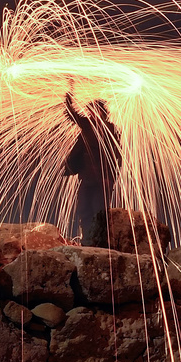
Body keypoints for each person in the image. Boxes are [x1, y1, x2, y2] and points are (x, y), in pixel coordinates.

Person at [63, 89, 122, 248]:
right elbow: (70, 113)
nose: (91, 113)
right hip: (87, 177)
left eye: (94, 111)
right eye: (90, 111)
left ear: (102, 112)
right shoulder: (88, 125)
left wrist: (111, 176)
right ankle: (88, 240)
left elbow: (117, 156)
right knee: (84, 209)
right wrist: (70, 90)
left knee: (99, 210)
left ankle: (101, 243)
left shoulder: (112, 129)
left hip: (103, 178)